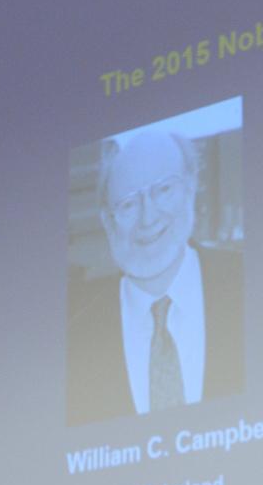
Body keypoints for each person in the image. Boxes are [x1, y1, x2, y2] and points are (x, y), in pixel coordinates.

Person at [66, 130, 244, 426]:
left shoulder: (252, 286)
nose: (148, 218)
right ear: (107, 222)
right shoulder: (75, 342)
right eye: (128, 204)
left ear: (191, 188)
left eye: (163, 190)